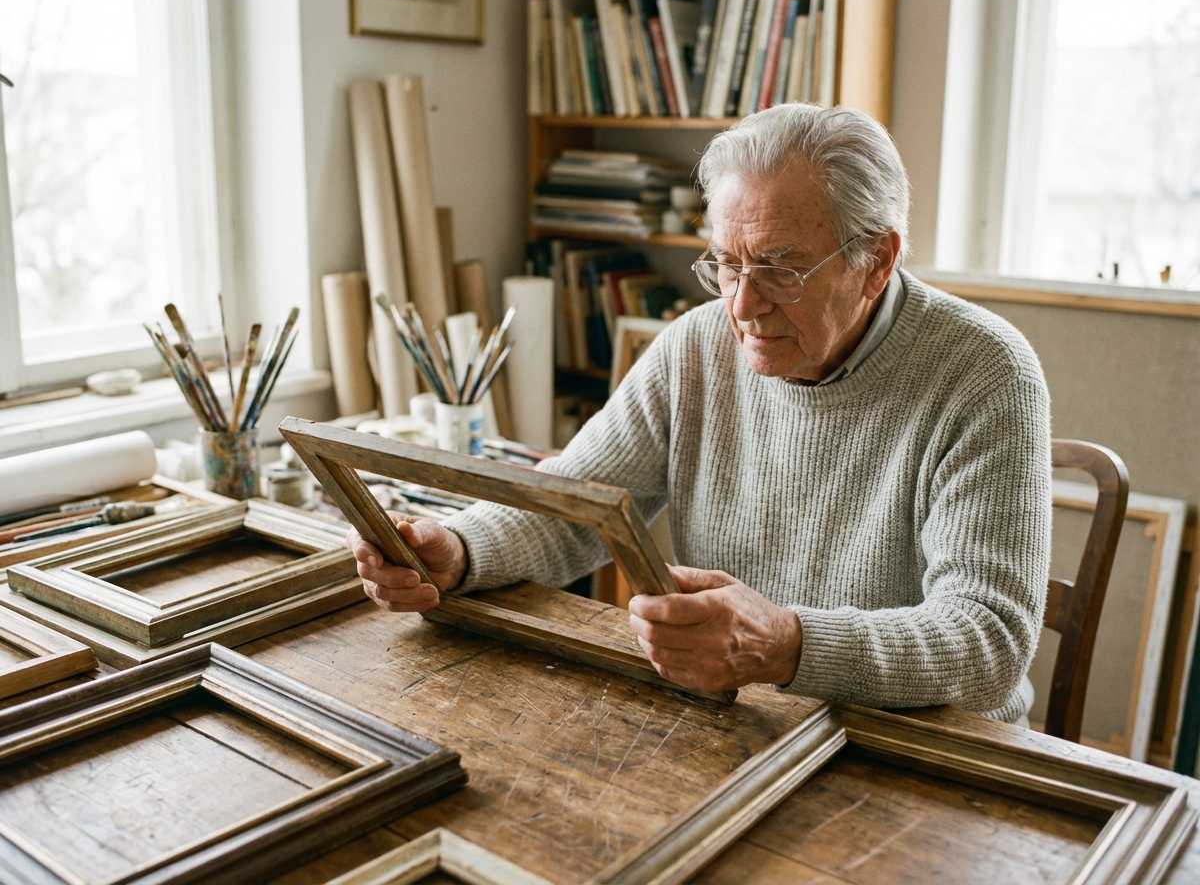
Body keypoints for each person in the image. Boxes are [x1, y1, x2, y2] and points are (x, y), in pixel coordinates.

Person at [348, 103, 1050, 724]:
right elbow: (576, 504)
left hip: (927, 754)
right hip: (744, 723)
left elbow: (986, 641)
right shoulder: (695, 345)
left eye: (780, 268)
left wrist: (786, 645)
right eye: (727, 265)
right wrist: (460, 549)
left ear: (876, 260)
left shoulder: (985, 373)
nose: (742, 307)